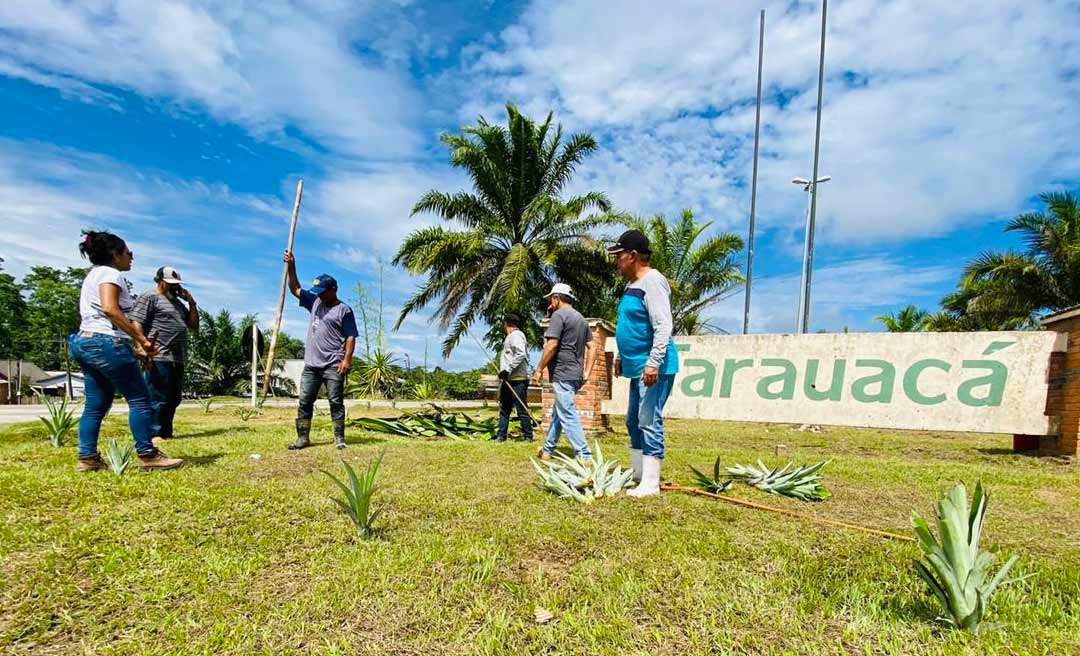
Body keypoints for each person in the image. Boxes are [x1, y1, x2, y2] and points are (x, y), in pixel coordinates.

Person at [68, 230, 184, 472]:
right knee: (141, 400)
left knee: (95, 404)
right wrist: (141, 339)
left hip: (84, 341)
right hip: (105, 342)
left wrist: (134, 348)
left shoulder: (92, 275)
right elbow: (111, 310)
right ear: (115, 254)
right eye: (128, 252)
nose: (131, 256)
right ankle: (148, 454)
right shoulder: (111, 273)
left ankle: (87, 458)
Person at [608, 229, 680, 497]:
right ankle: (639, 474)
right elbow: (629, 326)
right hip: (635, 364)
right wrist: (620, 356)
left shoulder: (653, 281)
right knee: (632, 420)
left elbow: (663, 325)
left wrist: (653, 363)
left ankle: (651, 483)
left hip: (653, 367)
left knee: (648, 420)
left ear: (633, 256)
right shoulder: (631, 286)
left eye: (619, 256)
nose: (616, 262)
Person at [284, 250, 358, 450]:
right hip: (311, 364)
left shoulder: (344, 310)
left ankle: (339, 438)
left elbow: (351, 336)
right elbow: (295, 288)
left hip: (333, 364)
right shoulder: (315, 301)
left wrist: (347, 360)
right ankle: (302, 438)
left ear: (333, 289)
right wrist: (292, 266)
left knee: (335, 401)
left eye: (323, 291)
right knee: (304, 401)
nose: (320, 295)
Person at [129, 266, 199, 444]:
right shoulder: (149, 297)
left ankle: (166, 431)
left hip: (177, 357)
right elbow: (136, 323)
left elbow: (193, 325)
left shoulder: (177, 304)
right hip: (158, 354)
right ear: (159, 281)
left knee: (174, 397)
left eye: (176, 285)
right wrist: (141, 346)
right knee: (157, 396)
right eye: (170, 284)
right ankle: (154, 433)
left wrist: (191, 303)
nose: (174, 287)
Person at [532, 283, 598, 463]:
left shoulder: (559, 316)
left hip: (562, 372)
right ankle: (547, 450)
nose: (550, 303)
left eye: (551, 299)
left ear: (556, 298)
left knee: (567, 412)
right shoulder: (581, 319)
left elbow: (552, 345)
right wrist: (587, 372)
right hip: (576, 374)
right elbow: (593, 346)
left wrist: (538, 369)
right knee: (558, 413)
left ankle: (584, 455)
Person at [493, 313, 533, 443]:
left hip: (518, 380)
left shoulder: (515, 336)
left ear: (505, 324)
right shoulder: (512, 336)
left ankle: (528, 436)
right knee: (504, 408)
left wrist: (507, 370)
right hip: (509, 380)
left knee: (521, 409)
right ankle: (501, 436)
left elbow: (520, 354)